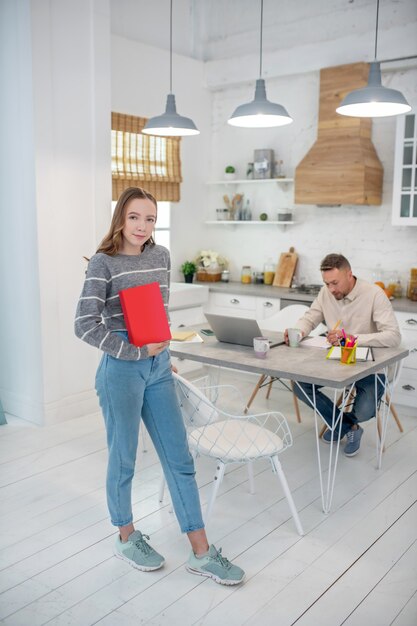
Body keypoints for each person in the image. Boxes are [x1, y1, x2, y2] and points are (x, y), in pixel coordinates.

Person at [74, 187, 244, 585]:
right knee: (124, 457)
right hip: (121, 371)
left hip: (160, 368)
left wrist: (165, 357)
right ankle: (126, 535)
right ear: (120, 218)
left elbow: (156, 314)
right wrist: (134, 353)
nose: (142, 226)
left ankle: (202, 552)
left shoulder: (160, 256)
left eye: (150, 218)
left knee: (179, 458)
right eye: (135, 217)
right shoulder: (103, 262)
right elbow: (83, 324)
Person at [285, 253, 401, 457]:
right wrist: (298, 332)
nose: (331, 289)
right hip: (335, 362)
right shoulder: (326, 293)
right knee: (300, 385)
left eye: (334, 283)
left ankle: (339, 425)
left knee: (365, 410)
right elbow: (310, 318)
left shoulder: (374, 294)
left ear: (350, 274)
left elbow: (393, 337)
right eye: (326, 283)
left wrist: (350, 338)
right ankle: (349, 427)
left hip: (369, 366)